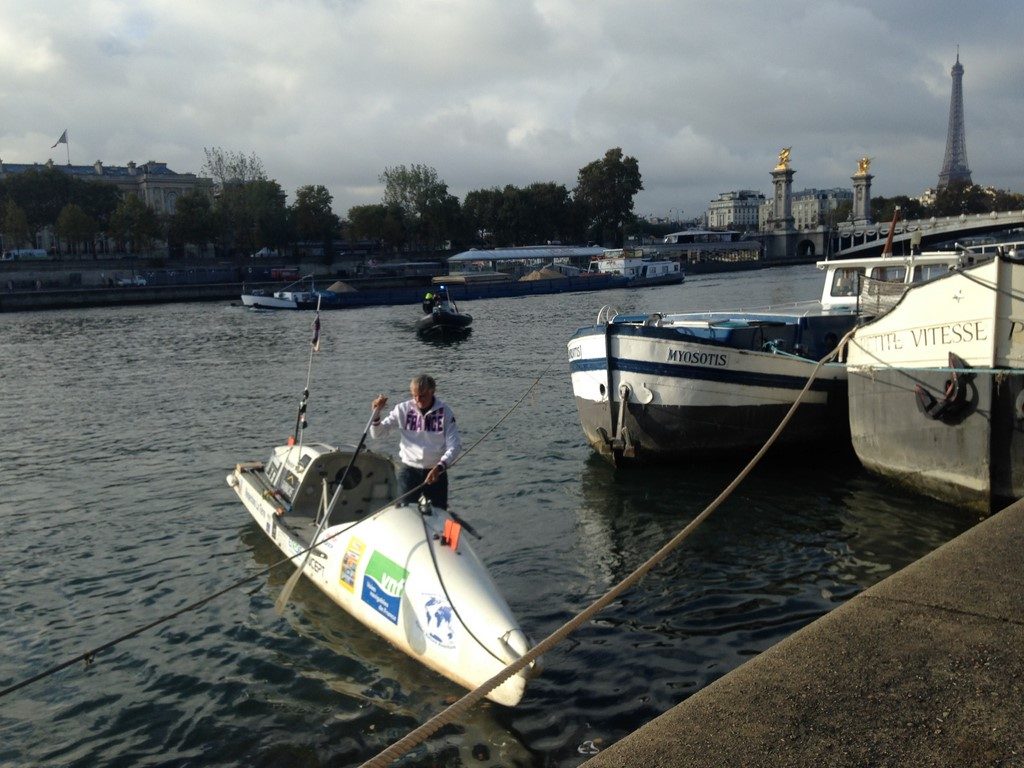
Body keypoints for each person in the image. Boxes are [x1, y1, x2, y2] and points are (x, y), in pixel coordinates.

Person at [370, 374, 461, 510]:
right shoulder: (402, 409)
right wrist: (376, 414)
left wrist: (440, 466)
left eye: (423, 396)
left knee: (439, 512)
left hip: (436, 472)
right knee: (404, 511)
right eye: (415, 396)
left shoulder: (445, 412)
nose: (418, 400)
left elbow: (454, 445)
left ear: (432, 391)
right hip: (409, 471)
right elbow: (377, 434)